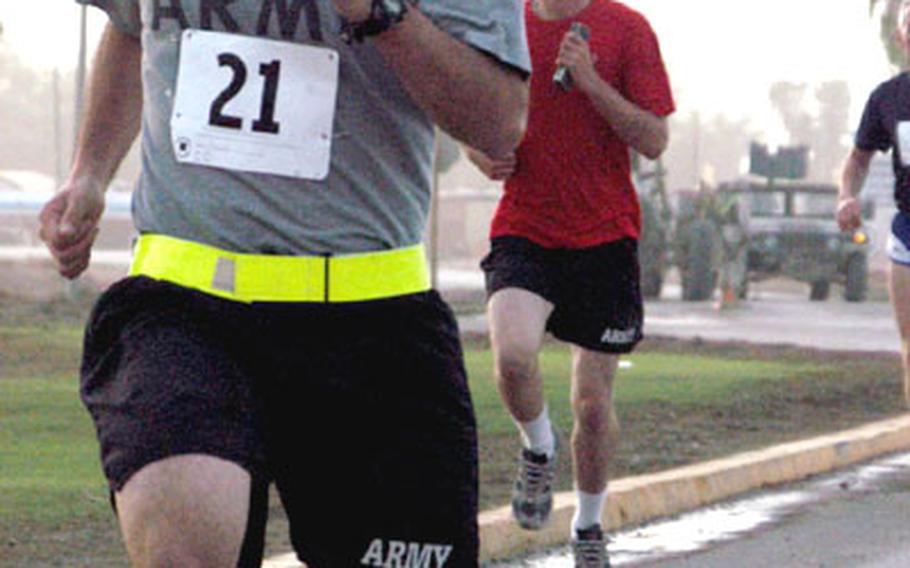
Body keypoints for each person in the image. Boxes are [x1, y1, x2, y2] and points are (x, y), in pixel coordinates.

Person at [39, 1, 529, 566]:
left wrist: (377, 12)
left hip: (373, 320)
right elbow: (131, 28)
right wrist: (89, 174)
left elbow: (499, 122)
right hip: (185, 304)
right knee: (185, 540)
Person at [466, 0, 673, 565]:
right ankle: (538, 450)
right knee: (511, 355)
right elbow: (471, 110)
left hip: (604, 238)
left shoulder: (627, 29)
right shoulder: (505, 22)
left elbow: (654, 139)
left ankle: (587, 527)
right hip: (526, 228)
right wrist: (479, 152)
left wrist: (589, 82)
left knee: (592, 403)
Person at [839, 1, 910, 410]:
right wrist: (847, 195)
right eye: (909, 25)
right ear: (901, 37)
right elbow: (858, 159)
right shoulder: (887, 98)